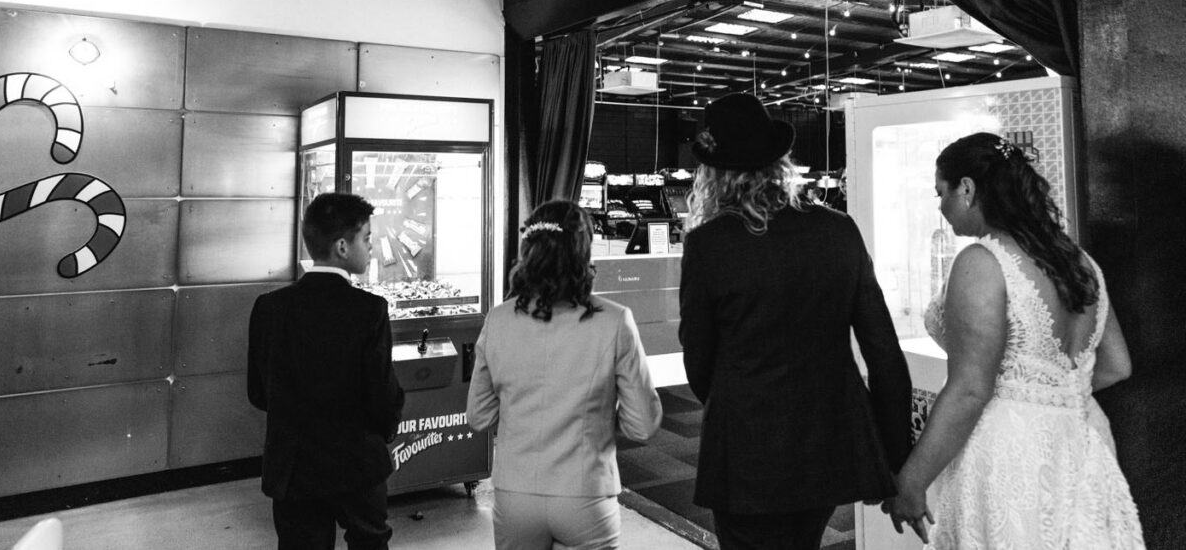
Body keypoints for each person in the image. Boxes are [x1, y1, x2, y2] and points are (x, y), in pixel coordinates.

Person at [884, 132, 1145, 548]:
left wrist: (912, 481)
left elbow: (970, 389)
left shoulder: (981, 262)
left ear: (966, 189)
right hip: (1084, 444)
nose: (941, 207)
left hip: (1011, 455)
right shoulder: (1080, 262)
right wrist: (1048, 400)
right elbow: (1117, 366)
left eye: (941, 193)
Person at [678, 92, 912, 550]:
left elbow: (698, 364)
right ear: (779, 164)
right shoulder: (838, 230)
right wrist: (897, 461)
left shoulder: (709, 244)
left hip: (746, 448)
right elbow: (884, 355)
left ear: (715, 174)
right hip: (828, 440)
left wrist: (740, 398)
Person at [466, 199, 663, 550]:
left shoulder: (497, 320)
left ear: (528, 249)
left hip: (516, 494)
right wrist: (599, 416)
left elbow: (479, 417)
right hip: (586, 493)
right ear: (583, 251)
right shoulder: (615, 320)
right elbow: (643, 424)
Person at [248, 192, 405, 550]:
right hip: (357, 463)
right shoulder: (370, 310)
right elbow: (382, 394)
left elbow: (258, 393)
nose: (372, 247)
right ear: (342, 247)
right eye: (366, 238)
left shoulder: (269, 308)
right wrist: (386, 428)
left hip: (292, 465)